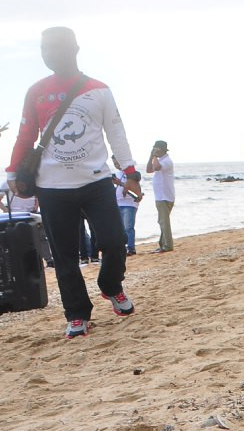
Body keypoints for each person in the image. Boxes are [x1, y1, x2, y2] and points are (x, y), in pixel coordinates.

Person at [5, 27, 140, 338]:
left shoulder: (99, 90)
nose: (47, 54)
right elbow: (26, 135)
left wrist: (130, 172)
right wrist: (13, 173)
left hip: (96, 182)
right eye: (44, 48)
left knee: (115, 240)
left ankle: (110, 286)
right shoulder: (36, 91)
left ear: (74, 49)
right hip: (51, 186)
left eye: (54, 47)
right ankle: (77, 314)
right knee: (65, 256)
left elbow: (115, 133)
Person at [146, 140, 175, 252]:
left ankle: (167, 245)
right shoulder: (160, 160)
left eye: (157, 149)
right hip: (160, 196)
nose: (155, 151)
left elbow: (157, 167)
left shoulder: (167, 161)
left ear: (162, 149)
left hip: (165, 196)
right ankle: (163, 244)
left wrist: (154, 156)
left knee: (164, 221)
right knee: (162, 221)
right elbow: (149, 170)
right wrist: (151, 156)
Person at [112, 155, 142, 256]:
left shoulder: (132, 174)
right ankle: (123, 247)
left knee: (128, 227)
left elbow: (136, 189)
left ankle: (131, 248)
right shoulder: (117, 173)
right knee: (119, 228)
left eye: (118, 163)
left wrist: (120, 183)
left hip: (129, 203)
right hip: (118, 202)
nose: (117, 165)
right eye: (114, 163)